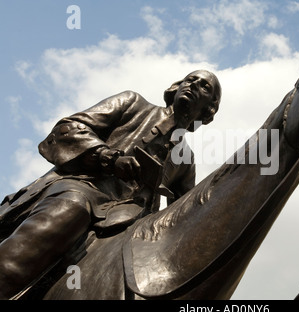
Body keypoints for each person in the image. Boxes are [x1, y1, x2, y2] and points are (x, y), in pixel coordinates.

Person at [0, 70, 222, 299]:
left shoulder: (186, 160)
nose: (193, 85)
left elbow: (184, 216)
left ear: (209, 109)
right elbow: (67, 128)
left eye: (204, 86)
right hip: (84, 187)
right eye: (190, 79)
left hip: (128, 224)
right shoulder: (132, 103)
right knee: (72, 208)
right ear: (175, 88)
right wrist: (109, 158)